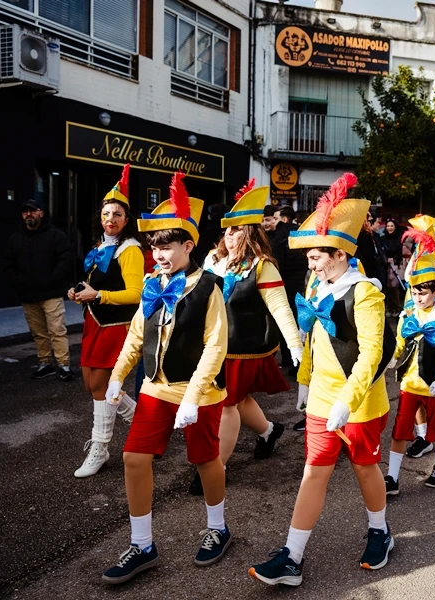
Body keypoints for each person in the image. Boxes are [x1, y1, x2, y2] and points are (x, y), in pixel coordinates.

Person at [249, 174, 395, 586]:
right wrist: (305, 382)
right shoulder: (317, 284)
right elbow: (315, 341)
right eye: (310, 257)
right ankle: (292, 556)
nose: (310, 264)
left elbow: (371, 354)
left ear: (340, 254)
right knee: (314, 470)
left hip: (359, 400)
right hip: (321, 398)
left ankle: (380, 531)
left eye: (316, 257)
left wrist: (347, 401)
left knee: (365, 467)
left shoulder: (365, 293)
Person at [100, 172, 232, 584]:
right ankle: (142, 545)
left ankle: (218, 528)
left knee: (205, 460)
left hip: (200, 394)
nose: (158, 254)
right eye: (154, 247)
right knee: (133, 457)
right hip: (156, 387)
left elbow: (215, 347)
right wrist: (117, 376)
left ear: (188, 246)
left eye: (166, 246)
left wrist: (192, 397)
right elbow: (137, 335)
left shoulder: (209, 288)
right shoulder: (152, 284)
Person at [199, 180, 303, 495]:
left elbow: (281, 309)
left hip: (244, 348)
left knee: (227, 403)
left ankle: (216, 466)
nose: (229, 235)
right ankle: (269, 431)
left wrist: (296, 347)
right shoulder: (211, 260)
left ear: (250, 233)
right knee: (239, 399)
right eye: (227, 230)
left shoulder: (262, 266)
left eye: (237, 230)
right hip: (213, 346)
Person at [67, 164, 144, 478]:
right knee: (91, 385)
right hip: (94, 323)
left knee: (101, 386)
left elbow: (136, 293)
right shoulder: (100, 247)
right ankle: (143, 422)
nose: (110, 219)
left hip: (116, 327)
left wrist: (98, 295)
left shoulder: (130, 249)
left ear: (126, 220)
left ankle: (100, 448)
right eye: (106, 214)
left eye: (117, 214)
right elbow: (95, 284)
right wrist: (79, 292)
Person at [385, 252, 435, 495]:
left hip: (434, 385)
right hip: (409, 383)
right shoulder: (407, 316)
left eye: (423, 293)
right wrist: (391, 358)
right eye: (414, 293)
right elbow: (400, 341)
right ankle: (392, 477)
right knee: (400, 429)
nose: (418, 298)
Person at [3, 198, 75, 380]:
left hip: (51, 294)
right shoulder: (15, 239)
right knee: (38, 333)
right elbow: (8, 265)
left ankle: (64, 365)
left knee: (57, 330)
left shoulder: (55, 235)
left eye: (33, 210)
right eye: (25, 211)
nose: (29, 214)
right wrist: (18, 282)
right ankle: (45, 364)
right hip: (28, 295)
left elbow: (66, 259)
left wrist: (53, 279)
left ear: (41, 213)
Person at [272, 204, 309, 374]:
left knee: (283, 320)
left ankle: (286, 358)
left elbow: (277, 265)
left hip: (283, 285)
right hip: (298, 284)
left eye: (274, 218)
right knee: (294, 320)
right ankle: (294, 358)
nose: (270, 222)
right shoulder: (299, 235)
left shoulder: (279, 237)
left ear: (284, 219)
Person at [379, 218, 406, 316]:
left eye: (391, 226)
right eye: (388, 226)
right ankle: (390, 307)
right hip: (385, 265)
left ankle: (395, 308)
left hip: (396, 264)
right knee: (388, 288)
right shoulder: (382, 239)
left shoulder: (399, 238)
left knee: (394, 286)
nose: (389, 228)